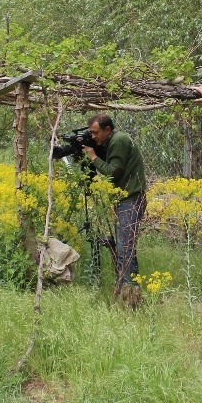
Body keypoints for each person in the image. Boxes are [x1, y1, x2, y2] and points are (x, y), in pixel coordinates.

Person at [81, 114, 146, 299]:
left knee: (125, 251)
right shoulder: (114, 140)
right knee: (123, 250)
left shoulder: (118, 141)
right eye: (90, 133)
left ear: (107, 129)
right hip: (125, 200)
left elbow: (114, 172)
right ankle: (125, 292)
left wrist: (93, 157)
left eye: (96, 133)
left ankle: (132, 296)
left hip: (130, 200)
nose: (93, 137)